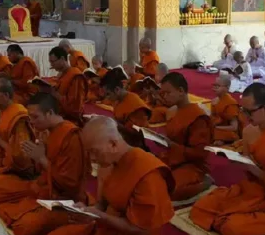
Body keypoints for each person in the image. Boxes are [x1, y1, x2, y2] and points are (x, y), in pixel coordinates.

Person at [41, 117, 174, 235]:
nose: (92, 160)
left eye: (94, 152)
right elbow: (101, 205)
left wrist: (100, 216)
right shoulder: (108, 164)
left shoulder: (147, 172)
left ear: (113, 143)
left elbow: (140, 229)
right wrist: (86, 212)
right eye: (89, 153)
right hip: (103, 232)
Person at [190, 83, 265, 235]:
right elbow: (249, 170)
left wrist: (251, 167)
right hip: (252, 189)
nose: (244, 116)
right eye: (243, 110)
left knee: (232, 228)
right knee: (201, 207)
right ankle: (230, 216)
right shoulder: (249, 131)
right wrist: (238, 160)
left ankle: (233, 219)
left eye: (249, 111)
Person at [0, 92, 90, 235]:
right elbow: (37, 171)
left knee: (27, 227)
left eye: (35, 117)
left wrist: (41, 159)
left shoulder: (71, 137)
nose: (31, 122)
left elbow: (71, 184)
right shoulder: (46, 131)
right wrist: (35, 158)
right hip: (42, 188)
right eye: (30, 117)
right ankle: (28, 210)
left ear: (49, 113)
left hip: (65, 199)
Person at [158, 72, 213, 201]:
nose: (164, 97)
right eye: (162, 94)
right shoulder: (173, 111)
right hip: (172, 157)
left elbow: (200, 154)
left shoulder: (198, 117)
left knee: (172, 190)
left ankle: (205, 182)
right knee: (147, 176)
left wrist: (173, 146)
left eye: (167, 93)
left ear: (181, 91)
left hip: (192, 165)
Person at [101, 70, 152, 148]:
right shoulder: (117, 101)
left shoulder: (135, 104)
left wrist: (114, 124)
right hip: (120, 138)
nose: (107, 97)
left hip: (135, 146)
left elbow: (139, 133)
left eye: (108, 94)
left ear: (117, 89)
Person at [46, 46, 88, 123]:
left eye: (53, 62)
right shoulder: (64, 74)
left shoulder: (76, 76)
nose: (51, 65)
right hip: (58, 114)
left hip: (70, 120)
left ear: (62, 59)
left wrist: (56, 95)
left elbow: (75, 108)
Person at [210, 72, 240, 143]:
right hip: (217, 127)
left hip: (227, 131)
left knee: (214, 132)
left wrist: (216, 127)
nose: (215, 88)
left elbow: (234, 127)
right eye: (214, 85)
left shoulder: (230, 103)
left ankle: (220, 139)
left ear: (227, 88)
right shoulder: (214, 101)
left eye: (218, 86)